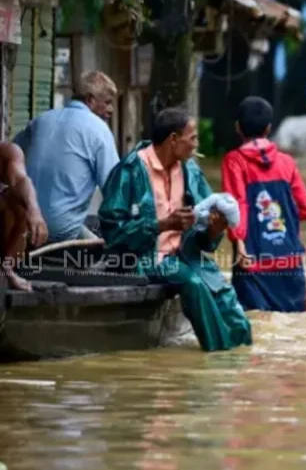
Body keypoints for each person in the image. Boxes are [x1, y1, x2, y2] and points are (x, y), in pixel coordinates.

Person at [99, 107, 252, 352]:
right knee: (193, 284)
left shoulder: (190, 171)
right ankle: (221, 358)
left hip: (187, 254)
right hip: (147, 259)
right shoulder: (129, 171)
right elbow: (113, 234)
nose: (196, 144)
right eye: (192, 138)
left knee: (225, 295)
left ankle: (244, 357)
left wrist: (214, 229)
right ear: (173, 139)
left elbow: (205, 242)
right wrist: (162, 225)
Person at [221, 97, 306, 313]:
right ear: (269, 128)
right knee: (291, 331)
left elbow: (237, 205)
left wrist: (239, 244)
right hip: (289, 261)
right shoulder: (287, 162)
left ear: (237, 127)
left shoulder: (234, 161)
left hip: (252, 261)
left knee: (256, 326)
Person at [14, 70, 120, 243]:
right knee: (105, 253)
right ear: (90, 99)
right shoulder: (99, 130)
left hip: (21, 224)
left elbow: (12, 155)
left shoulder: (41, 120)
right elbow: (115, 190)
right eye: (107, 103)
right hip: (59, 231)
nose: (111, 110)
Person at [0, 143, 48, 290]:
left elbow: (21, 180)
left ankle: (6, 269)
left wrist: (34, 210)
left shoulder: (8, 152)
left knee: (21, 203)